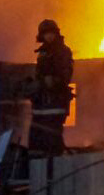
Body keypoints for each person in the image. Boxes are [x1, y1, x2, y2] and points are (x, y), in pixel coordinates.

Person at [29, 19, 73, 155]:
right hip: (40, 105)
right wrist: (33, 85)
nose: (49, 36)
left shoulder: (63, 51)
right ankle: (37, 167)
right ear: (41, 35)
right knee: (36, 138)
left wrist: (54, 81)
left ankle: (57, 165)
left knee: (53, 136)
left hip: (56, 103)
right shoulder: (42, 53)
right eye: (46, 33)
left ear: (56, 33)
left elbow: (66, 74)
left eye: (51, 33)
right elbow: (39, 74)